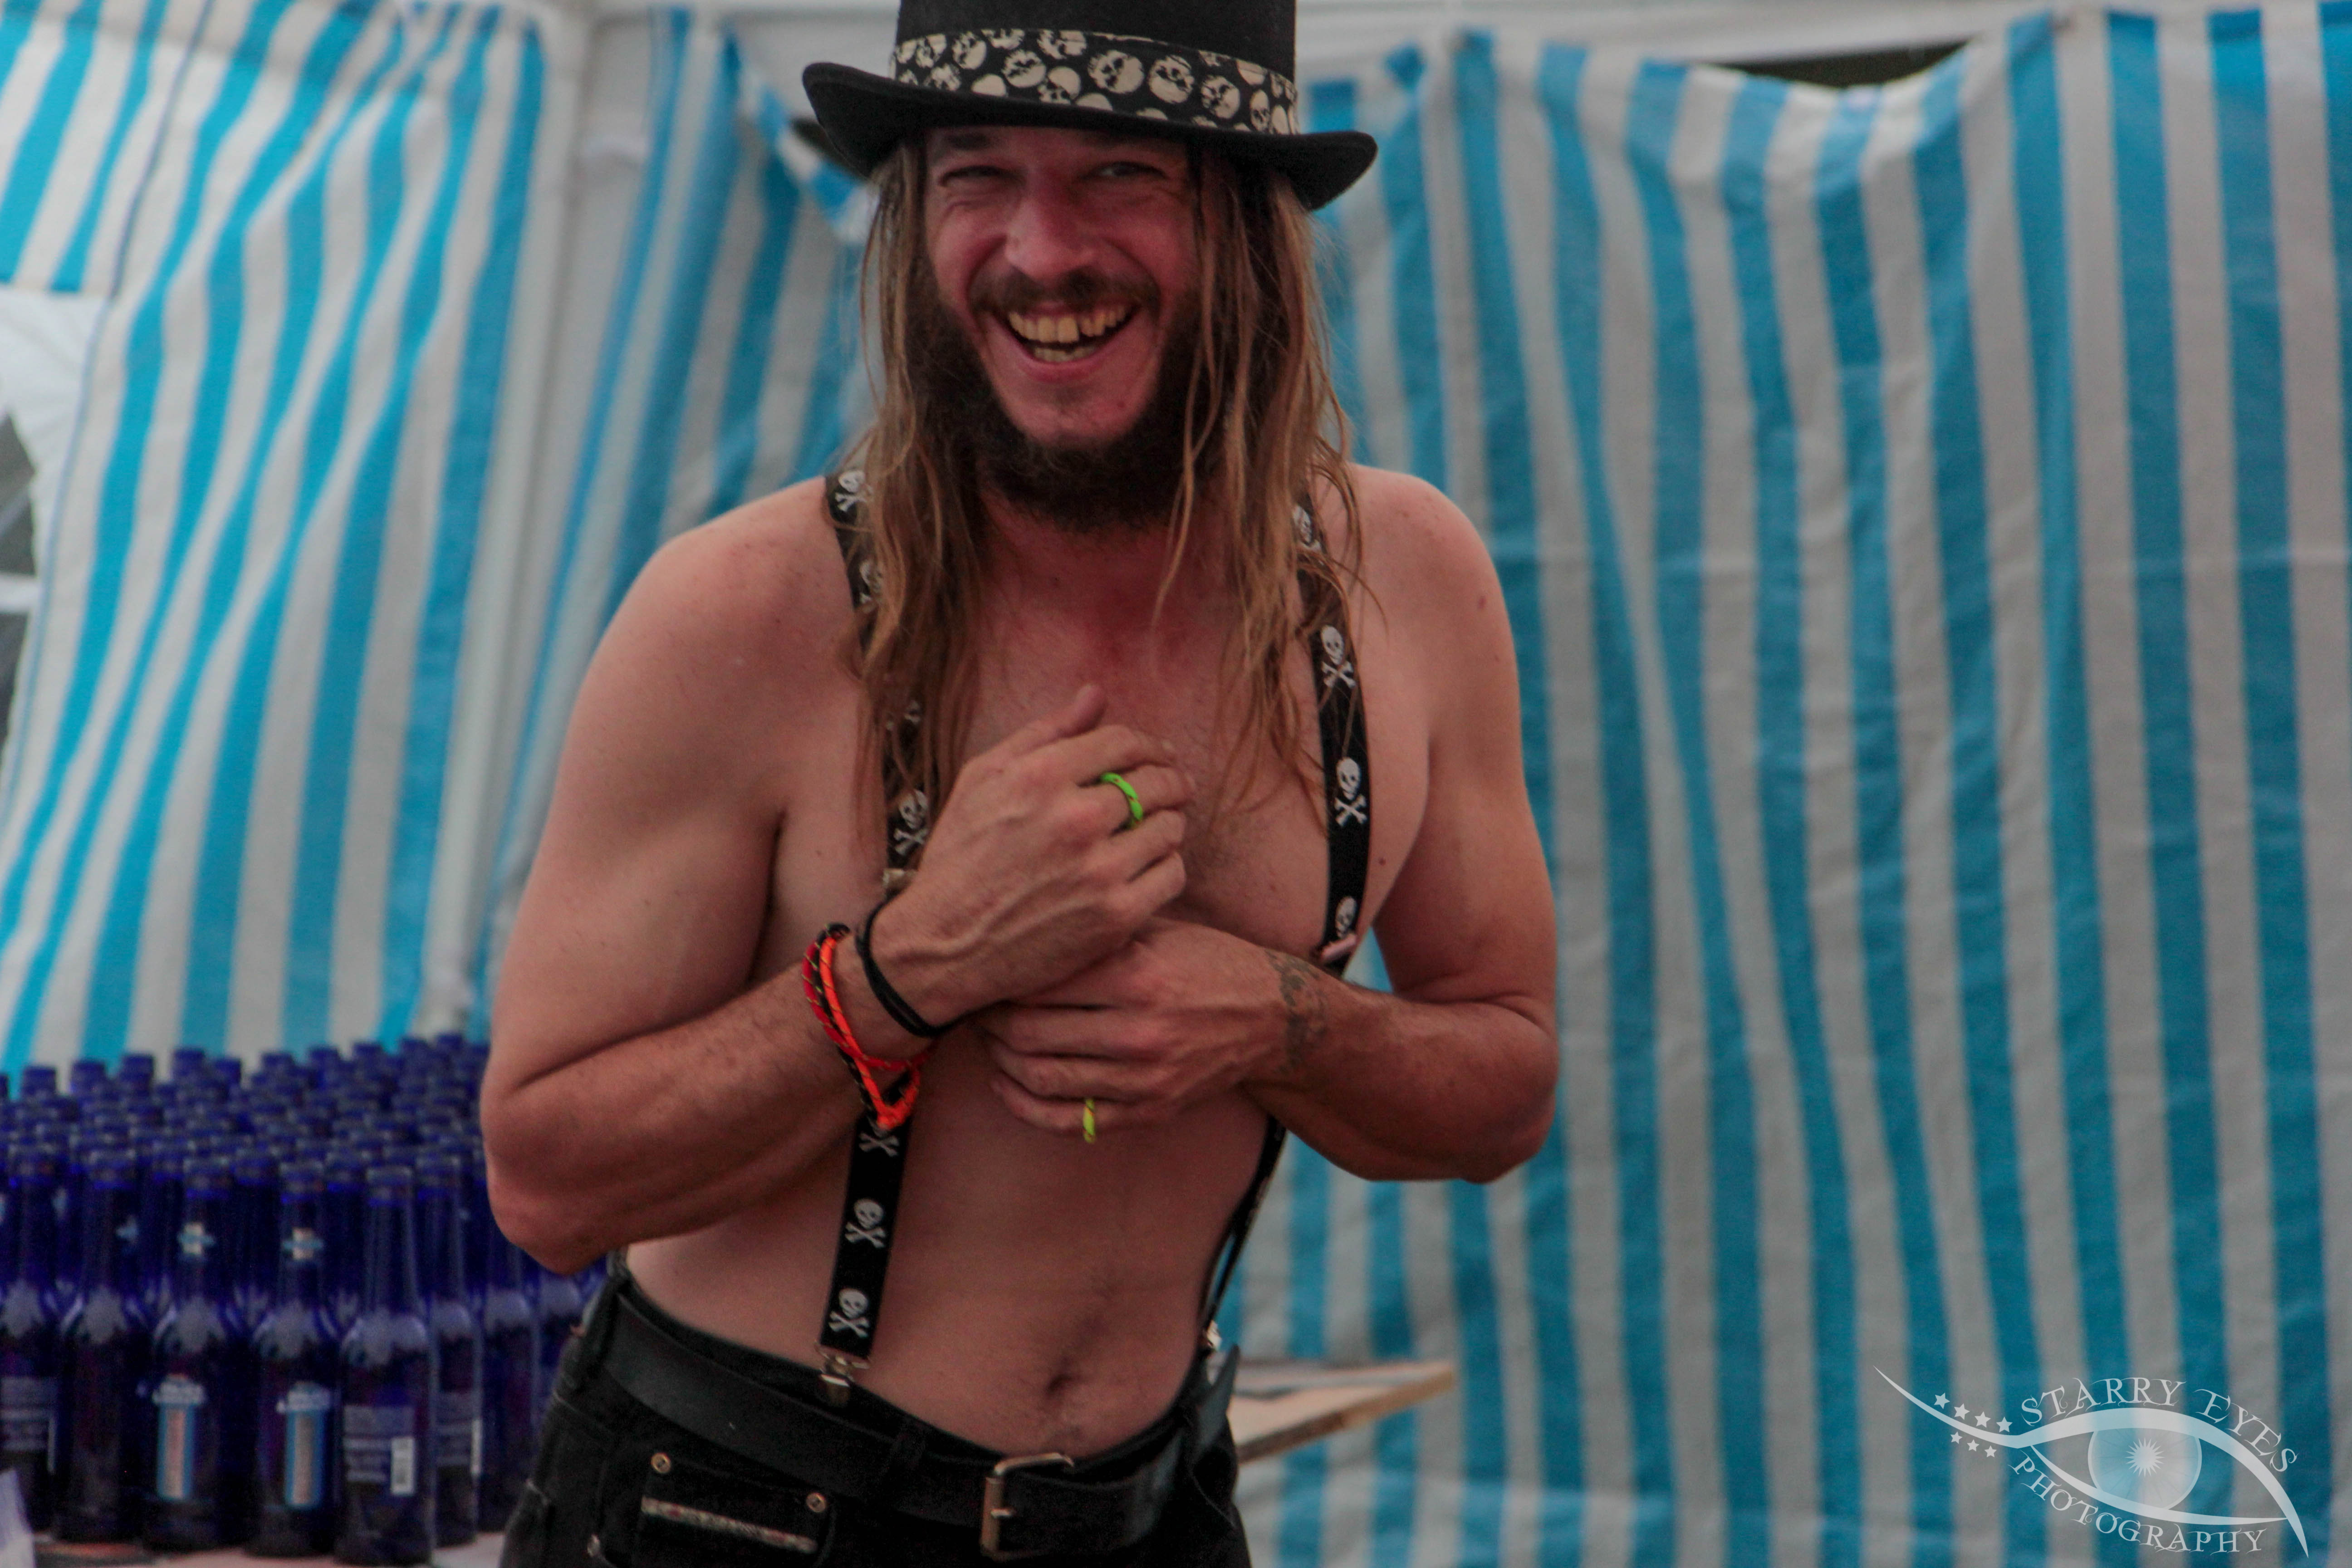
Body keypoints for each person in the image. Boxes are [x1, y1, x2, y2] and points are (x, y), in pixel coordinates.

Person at [481, 2, 1558, 1562]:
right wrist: (906, 972)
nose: (1041, 252)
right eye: (977, 174)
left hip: (1156, 1508)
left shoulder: (1406, 580)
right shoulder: (743, 616)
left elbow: (1508, 1081)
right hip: (739, 1508)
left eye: (1121, 173)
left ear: (1248, 226)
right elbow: (545, 1183)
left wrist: (1281, 1020)